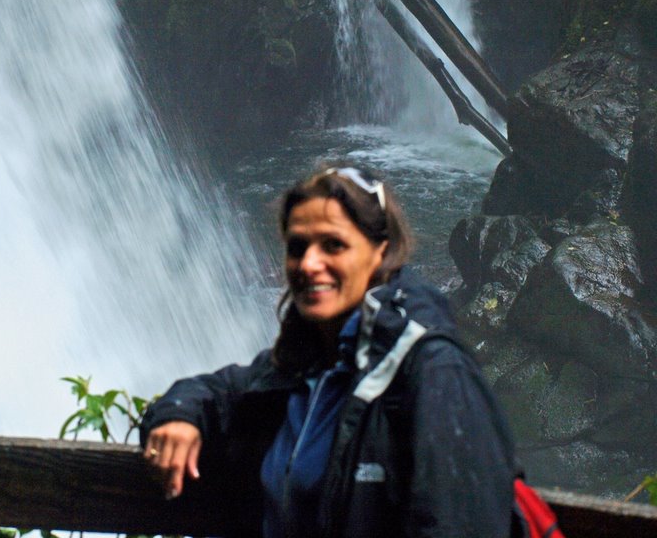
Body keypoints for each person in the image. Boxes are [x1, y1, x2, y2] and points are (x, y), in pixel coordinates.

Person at [140, 165, 517, 538]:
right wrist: (179, 416)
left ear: (379, 251)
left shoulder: (434, 371)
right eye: (297, 247)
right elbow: (220, 390)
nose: (308, 264)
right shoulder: (305, 367)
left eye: (333, 245)